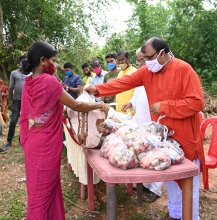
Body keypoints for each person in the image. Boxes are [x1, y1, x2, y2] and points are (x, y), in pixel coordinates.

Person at [85, 37, 205, 220]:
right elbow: (123, 83)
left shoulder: (183, 69)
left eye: (149, 57)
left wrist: (165, 107)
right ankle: (175, 213)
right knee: (169, 177)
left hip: (186, 137)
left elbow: (196, 103)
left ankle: (192, 216)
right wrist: (99, 89)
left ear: (162, 53)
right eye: (144, 59)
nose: (146, 62)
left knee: (189, 183)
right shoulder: (148, 71)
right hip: (163, 137)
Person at [20, 40, 109, 220]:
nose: (55, 65)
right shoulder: (49, 81)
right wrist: (99, 104)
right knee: (44, 192)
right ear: (43, 61)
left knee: (38, 190)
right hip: (46, 144)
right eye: (53, 61)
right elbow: (75, 105)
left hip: (33, 140)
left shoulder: (28, 82)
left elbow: (38, 112)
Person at [121, 47, 163, 203]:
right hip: (141, 122)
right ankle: (146, 184)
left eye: (142, 59)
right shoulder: (142, 76)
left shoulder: (158, 76)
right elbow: (136, 94)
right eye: (138, 60)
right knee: (144, 154)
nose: (140, 63)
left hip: (154, 124)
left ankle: (155, 189)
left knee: (156, 155)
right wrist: (130, 102)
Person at [4, 56, 30, 150]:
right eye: (22, 62)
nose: (24, 63)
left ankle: (23, 139)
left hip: (27, 101)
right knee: (13, 120)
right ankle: (8, 141)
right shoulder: (14, 73)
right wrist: (10, 101)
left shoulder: (30, 73)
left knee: (25, 120)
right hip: (17, 100)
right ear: (19, 63)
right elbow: (11, 88)